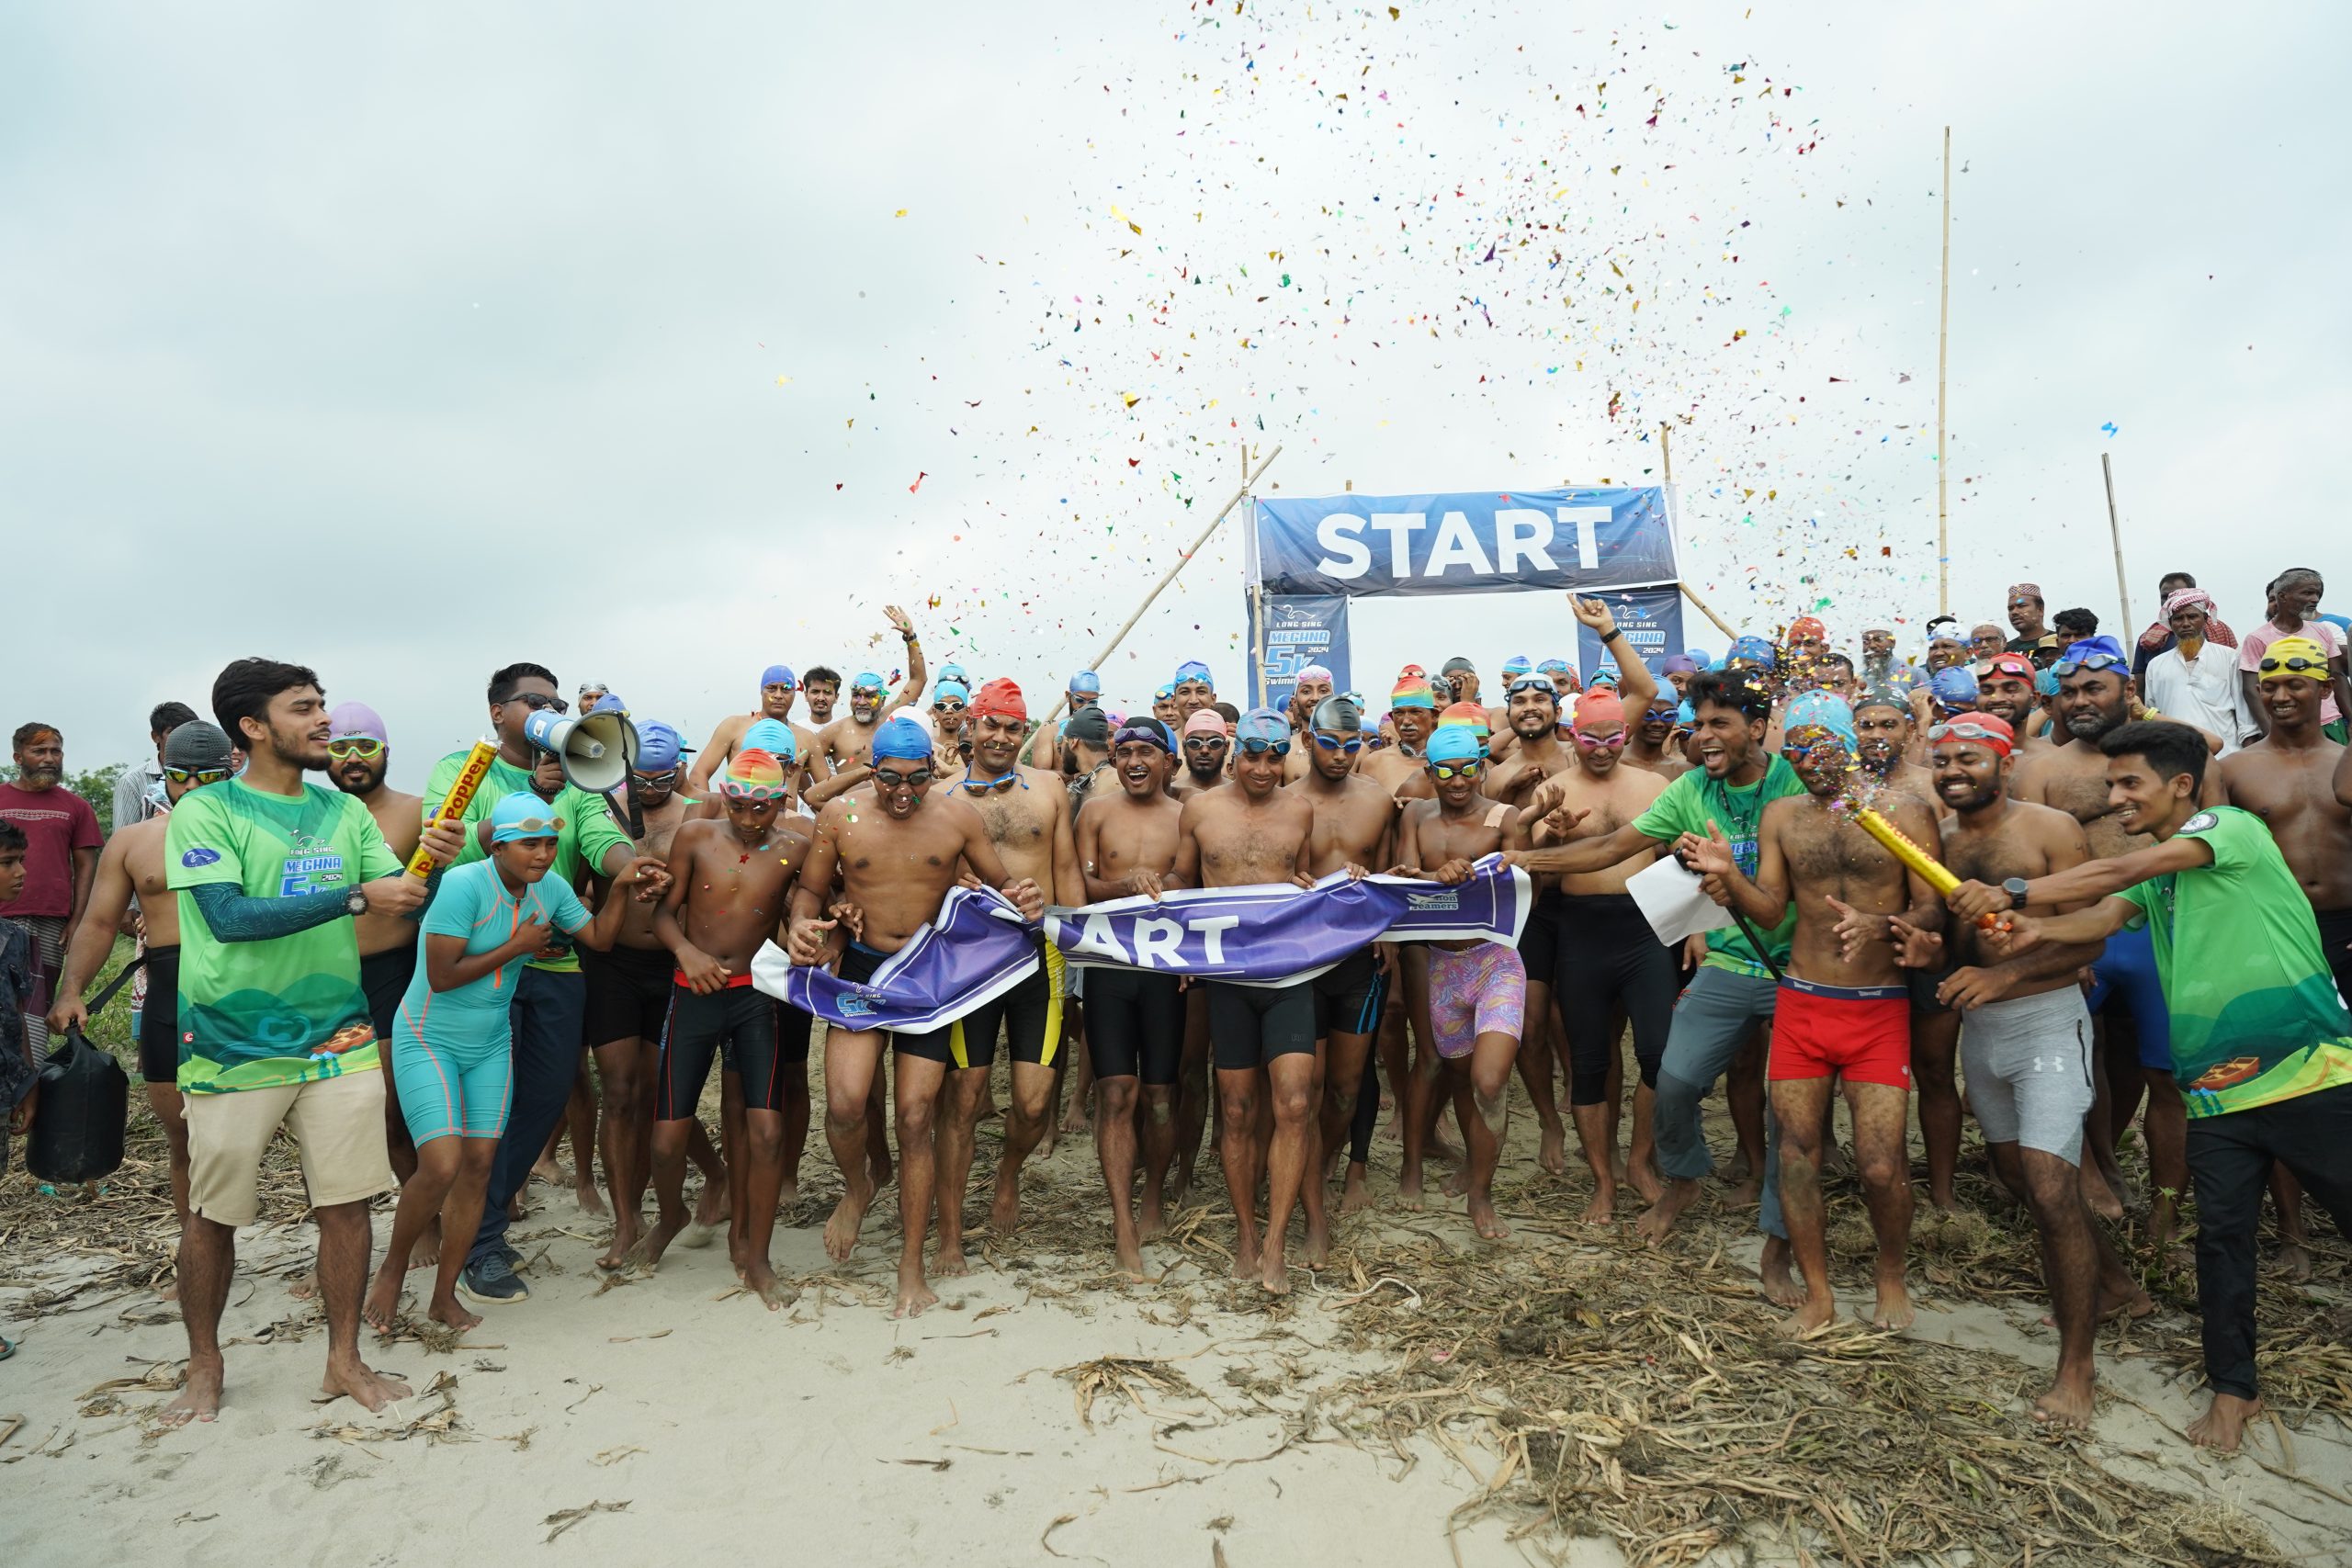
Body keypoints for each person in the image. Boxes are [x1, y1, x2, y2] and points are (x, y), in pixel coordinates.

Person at [1951, 721, 2352, 1452]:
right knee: (2222, 1241)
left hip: (2307, 1070)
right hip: (2218, 1089)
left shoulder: (2228, 828)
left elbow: (2120, 873)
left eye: (2129, 783)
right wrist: (2030, 928)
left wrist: (2014, 888)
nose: (2114, 798)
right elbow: (2105, 913)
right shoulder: (2160, 874)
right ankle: (2235, 1388)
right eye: (2110, 784)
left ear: (2181, 785)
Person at [161, 658, 461, 1425]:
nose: (324, 718)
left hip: (340, 1037)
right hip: (233, 1042)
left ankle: (344, 1359)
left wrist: (434, 861)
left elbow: (399, 901)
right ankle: (205, 1362)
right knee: (213, 1212)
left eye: (321, 703)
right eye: (303, 707)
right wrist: (355, 894)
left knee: (347, 1205)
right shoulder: (208, 810)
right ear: (253, 726)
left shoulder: (344, 812)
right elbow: (229, 916)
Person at [1894, 714, 2149, 1426]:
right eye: (1943, 759)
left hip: (2048, 1024)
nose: (1953, 771)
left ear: (2005, 764)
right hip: (1984, 1033)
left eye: (1969, 758)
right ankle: (2118, 1286)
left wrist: (2002, 978)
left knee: (2049, 1183)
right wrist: (1929, 955)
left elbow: (2087, 939)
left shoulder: (2050, 829)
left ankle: (2077, 1368)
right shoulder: (1938, 841)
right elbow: (1957, 947)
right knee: (2016, 1174)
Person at [1505, 669, 1803, 1260]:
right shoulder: (1687, 789)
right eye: (1700, 724)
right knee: (1656, 1075)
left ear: (1759, 729)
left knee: (1786, 1106)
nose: (1703, 735)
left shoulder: (1791, 785)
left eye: (1719, 724)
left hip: (1788, 961)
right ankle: (1658, 1179)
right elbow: (1609, 849)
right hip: (1689, 951)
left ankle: (1773, 1233)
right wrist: (1528, 853)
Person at [1685, 692, 1940, 1334]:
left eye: (1820, 746)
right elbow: (1771, 909)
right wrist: (1728, 878)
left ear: (1847, 745)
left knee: (1880, 1163)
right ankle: (1818, 1291)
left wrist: (1882, 924)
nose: (1807, 761)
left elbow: (1933, 906)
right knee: (1797, 1155)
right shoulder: (1784, 816)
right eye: (1795, 749)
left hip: (1877, 1007)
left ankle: (1890, 1274)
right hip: (1804, 1002)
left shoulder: (1904, 811)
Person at [421, 664, 668, 1307]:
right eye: (535, 702)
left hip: (554, 967)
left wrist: (632, 867)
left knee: (545, 1096)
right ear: (497, 711)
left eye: (558, 704)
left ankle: (481, 1218)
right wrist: (528, 796)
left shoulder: (578, 779)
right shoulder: (463, 771)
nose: (551, 712)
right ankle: (481, 1241)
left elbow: (603, 839)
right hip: (485, 969)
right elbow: (442, 850)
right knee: (488, 1109)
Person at [784, 716, 1043, 1317]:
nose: (904, 792)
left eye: (918, 779)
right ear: (870, 770)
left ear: (933, 770)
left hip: (926, 977)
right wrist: (802, 923)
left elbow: (1002, 883)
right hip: (863, 972)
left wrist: (1023, 896)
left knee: (915, 1117)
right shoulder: (839, 816)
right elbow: (811, 892)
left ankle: (911, 1265)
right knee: (845, 1106)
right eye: (890, 779)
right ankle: (860, 1185)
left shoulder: (957, 818)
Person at [364, 793, 646, 1333]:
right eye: (528, 844)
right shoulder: (464, 884)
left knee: (478, 1167)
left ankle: (444, 1295)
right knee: (442, 1163)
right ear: (497, 847)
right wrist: (518, 946)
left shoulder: (551, 888)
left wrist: (622, 889)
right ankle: (392, 1271)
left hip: (490, 1043)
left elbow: (599, 939)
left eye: (549, 843)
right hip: (429, 1037)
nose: (542, 854)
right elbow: (442, 975)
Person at [2012, 638, 2225, 1244]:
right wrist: (2053, 940)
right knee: (2067, 1065)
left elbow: (2215, 831)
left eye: (2094, 688)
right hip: (2087, 932)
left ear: (2128, 690)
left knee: (2162, 1076)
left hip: (2166, 931)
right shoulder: (2044, 770)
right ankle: (2091, 1175)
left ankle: (2162, 1214)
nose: (2079, 701)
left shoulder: (2180, 756)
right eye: (2068, 692)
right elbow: (2029, 855)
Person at [629, 749, 812, 1308]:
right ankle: (671, 1215)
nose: (749, 819)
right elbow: (663, 913)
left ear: (779, 802)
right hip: (695, 994)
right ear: (725, 797)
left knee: (767, 1132)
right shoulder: (696, 837)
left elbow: (808, 909)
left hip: (755, 997)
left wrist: (823, 928)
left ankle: (757, 1256)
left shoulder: (794, 848)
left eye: (762, 808)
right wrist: (687, 953)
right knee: (666, 1140)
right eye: (738, 806)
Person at [47, 721, 235, 1233]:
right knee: (183, 1140)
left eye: (207, 776)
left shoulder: (262, 834)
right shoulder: (134, 842)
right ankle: (197, 1251)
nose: (191, 787)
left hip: (248, 996)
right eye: (180, 775)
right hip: (170, 994)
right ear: (163, 775)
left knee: (282, 1130)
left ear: (231, 773)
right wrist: (71, 991)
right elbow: (100, 922)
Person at [1169, 708, 1321, 1293]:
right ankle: (1246, 1234)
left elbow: (1304, 881)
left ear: (1285, 757)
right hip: (1228, 978)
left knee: (1294, 1104)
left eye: (1273, 758)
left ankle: (1277, 1240)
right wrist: (1149, 887)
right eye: (1252, 756)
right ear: (1236, 755)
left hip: (1287, 973)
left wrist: (1328, 883)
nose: (1262, 768)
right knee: (1235, 1110)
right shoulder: (1201, 810)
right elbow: (1183, 881)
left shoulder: (1300, 810)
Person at [1518, 688, 1676, 1221]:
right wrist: (1551, 839)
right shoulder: (1554, 791)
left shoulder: (1654, 786)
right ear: (1572, 735)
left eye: (1612, 738)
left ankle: (1640, 1162)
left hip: (1645, 929)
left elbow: (1679, 858)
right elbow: (1536, 877)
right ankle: (1603, 1183)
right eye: (1591, 739)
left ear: (1626, 734)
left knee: (1658, 1055)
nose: (1603, 749)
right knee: (1588, 1063)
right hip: (1581, 932)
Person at [579, 719, 731, 1268]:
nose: (649, 789)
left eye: (661, 779)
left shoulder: (701, 812)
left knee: (662, 1093)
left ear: (679, 770)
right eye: (640, 779)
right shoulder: (598, 810)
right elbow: (579, 881)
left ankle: (714, 1174)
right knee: (619, 1093)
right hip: (612, 964)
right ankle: (628, 1221)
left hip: (673, 964)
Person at [943, 679, 1081, 1247]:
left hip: (1038, 955)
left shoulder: (1049, 789)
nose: (1001, 736)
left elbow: (1066, 869)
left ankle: (1008, 1173)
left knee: (1032, 1101)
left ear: (1024, 731)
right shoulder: (943, 797)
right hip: (969, 961)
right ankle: (951, 1224)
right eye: (991, 725)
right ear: (971, 726)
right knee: (965, 1096)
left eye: (1012, 727)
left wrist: (1079, 950)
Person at [1393, 725, 1528, 1240]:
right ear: (1429, 773)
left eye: (1468, 769)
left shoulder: (1504, 818)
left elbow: (1524, 887)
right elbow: (1403, 878)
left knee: (1489, 1081)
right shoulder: (1415, 815)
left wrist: (1466, 873)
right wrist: (1435, 877)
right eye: (1446, 771)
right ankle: (1416, 1165)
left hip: (1495, 961)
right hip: (1439, 964)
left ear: (1482, 768)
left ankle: (1481, 1193)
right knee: (1446, 1068)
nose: (1457, 781)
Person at [1073, 717, 1186, 1277]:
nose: (1135, 762)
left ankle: (1153, 1196)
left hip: (1167, 971)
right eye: (1125, 753)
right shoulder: (1094, 812)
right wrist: (1126, 884)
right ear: (1113, 760)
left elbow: (1199, 881)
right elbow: (1078, 886)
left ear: (1168, 761)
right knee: (1116, 1092)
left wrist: (1168, 885)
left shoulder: (1187, 815)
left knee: (1160, 1097)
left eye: (1147, 752)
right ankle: (1122, 1223)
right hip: (1109, 968)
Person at [1285, 694, 1396, 1258]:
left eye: (1352, 746)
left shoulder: (1378, 802)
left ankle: (1328, 1159)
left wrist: (1388, 932)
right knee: (1305, 1088)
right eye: (1329, 744)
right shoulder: (1283, 803)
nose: (1340, 755)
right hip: (1302, 959)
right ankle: (1308, 1188)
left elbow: (1392, 875)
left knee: (1348, 1087)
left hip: (1359, 960)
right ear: (1308, 740)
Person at [0, 722, 102, 1055]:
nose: (49, 758)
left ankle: (32, 1073)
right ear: (18, 757)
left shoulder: (77, 807)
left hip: (51, 922)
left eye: (55, 751)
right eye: (39, 751)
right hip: (2, 916)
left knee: (35, 1004)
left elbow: (86, 867)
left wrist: (78, 920)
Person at [2239, 569, 2352, 742]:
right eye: (2307, 593)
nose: (2315, 599)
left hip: (2330, 724)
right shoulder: (2258, 638)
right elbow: (2251, 690)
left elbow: (2337, 677)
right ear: (2283, 596)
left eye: (2317, 593)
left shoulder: (2322, 631)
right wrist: (2271, 733)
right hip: (2286, 728)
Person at [688, 663, 833, 797]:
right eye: (771, 688)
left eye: (786, 689)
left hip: (785, 815)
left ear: (795, 694)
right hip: (738, 811)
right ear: (761, 691)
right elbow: (698, 774)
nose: (778, 695)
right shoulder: (733, 727)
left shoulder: (806, 738)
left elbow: (826, 793)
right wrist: (711, 809)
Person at [2143, 589, 2256, 756]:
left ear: (2205, 619)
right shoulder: (2156, 666)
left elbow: (2246, 718)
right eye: (2178, 618)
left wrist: (2247, 757)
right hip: (2174, 758)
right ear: (2171, 623)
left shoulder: (2229, 658)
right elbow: (2152, 716)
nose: (2186, 623)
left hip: (2225, 756)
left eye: (2192, 617)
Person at [0, 821, 34, 1359]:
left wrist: (28, 1084)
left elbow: (19, 1017)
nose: (21, 872)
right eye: (8, 863)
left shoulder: (14, 939)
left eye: (20, 860)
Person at [114, 701, 201, 829]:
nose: (182, 738)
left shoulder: (209, 775)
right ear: (156, 736)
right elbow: (122, 836)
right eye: (173, 732)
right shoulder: (131, 782)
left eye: (188, 731)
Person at [2134, 571, 2237, 678]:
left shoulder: (2221, 633)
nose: (2170, 600)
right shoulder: (2147, 641)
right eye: (2165, 597)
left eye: (2177, 594)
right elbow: (2142, 685)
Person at [1175, 709, 1230, 797]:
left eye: (1214, 743)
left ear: (1226, 747)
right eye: (1195, 743)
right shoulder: (1171, 794)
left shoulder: (1240, 795)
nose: (1204, 750)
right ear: (1184, 747)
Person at [2006, 583, 2061, 666]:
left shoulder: (2060, 641)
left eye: (2021, 606)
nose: (2014, 612)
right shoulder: (2005, 651)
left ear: (2040, 610)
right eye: (2010, 609)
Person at [1171, 661, 1218, 726]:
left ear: (1213, 699)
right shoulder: (1165, 733)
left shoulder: (1228, 732)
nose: (1193, 701)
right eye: (1185, 692)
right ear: (1174, 700)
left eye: (1201, 692)